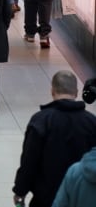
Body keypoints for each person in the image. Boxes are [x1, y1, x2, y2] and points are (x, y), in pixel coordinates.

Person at [13, 70, 96, 207]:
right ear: (75, 92)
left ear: (52, 91)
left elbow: (29, 160)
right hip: (81, 198)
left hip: (45, 198)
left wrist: (20, 190)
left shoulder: (41, 121)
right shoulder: (91, 122)